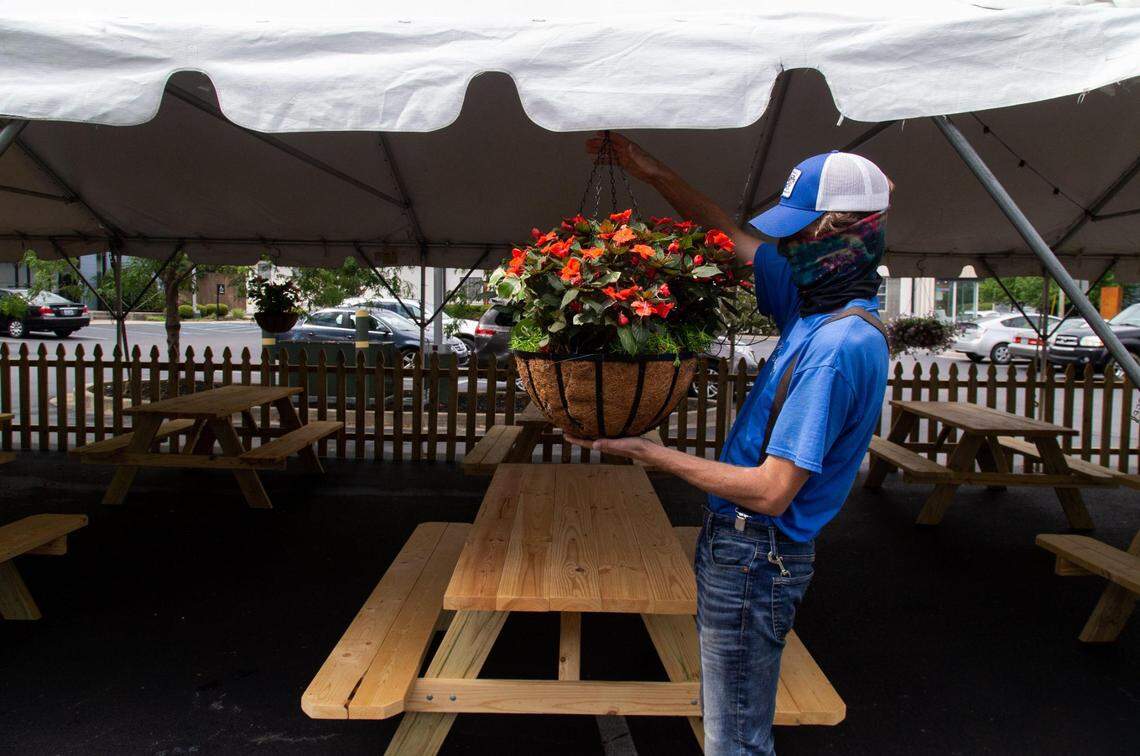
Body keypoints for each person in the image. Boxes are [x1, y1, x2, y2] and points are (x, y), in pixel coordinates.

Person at [569, 133, 891, 756]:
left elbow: (772, 492)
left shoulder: (834, 348)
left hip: (756, 556)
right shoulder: (818, 307)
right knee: (731, 722)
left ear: (846, 237)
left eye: (799, 236)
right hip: (740, 551)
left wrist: (652, 454)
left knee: (735, 741)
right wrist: (650, 168)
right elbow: (728, 233)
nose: (786, 250)